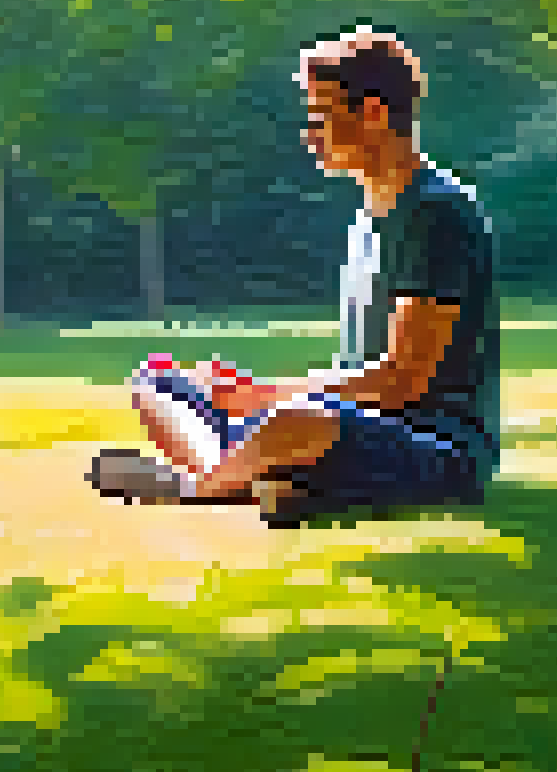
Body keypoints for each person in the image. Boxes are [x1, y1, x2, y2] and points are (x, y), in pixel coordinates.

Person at [87, 26, 500, 528]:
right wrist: (248, 397)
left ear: (372, 114)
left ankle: (203, 483)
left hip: (435, 448)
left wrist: (267, 396)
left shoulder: (437, 214)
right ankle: (263, 477)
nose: (310, 135)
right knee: (158, 384)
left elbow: (402, 382)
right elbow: (358, 374)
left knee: (294, 423)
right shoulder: (369, 215)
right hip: (352, 428)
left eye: (322, 117)